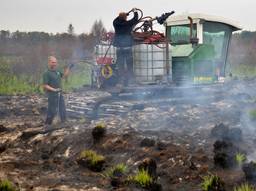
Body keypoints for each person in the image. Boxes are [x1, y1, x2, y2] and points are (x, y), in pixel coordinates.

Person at [113, 8, 139, 85]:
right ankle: (130, 81)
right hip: (127, 49)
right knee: (129, 65)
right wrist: (135, 12)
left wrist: (125, 14)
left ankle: (121, 81)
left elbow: (116, 19)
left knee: (120, 65)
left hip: (119, 49)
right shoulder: (128, 24)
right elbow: (135, 19)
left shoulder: (116, 24)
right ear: (125, 18)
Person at [43, 56, 70, 126]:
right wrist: (54, 90)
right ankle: (47, 124)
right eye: (53, 62)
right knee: (52, 110)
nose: (54, 64)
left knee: (62, 107)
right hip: (52, 95)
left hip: (59, 93)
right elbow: (45, 85)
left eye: (55, 62)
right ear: (49, 62)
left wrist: (68, 69)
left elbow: (64, 76)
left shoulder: (57, 72)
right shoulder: (47, 73)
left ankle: (64, 122)